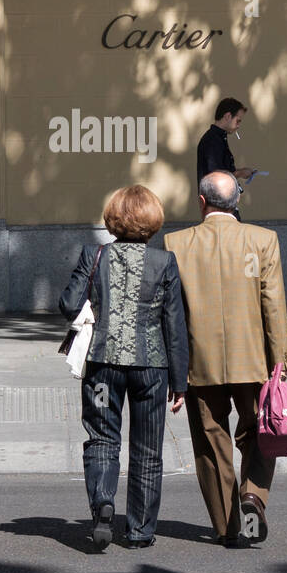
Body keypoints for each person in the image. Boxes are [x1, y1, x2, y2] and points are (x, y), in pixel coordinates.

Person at [163, 171, 287, 547]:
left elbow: (173, 314)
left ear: (202, 202)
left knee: (210, 441)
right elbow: (273, 306)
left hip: (198, 362)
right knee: (261, 434)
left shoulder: (176, 243)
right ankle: (253, 495)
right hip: (252, 359)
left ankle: (227, 527)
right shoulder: (263, 240)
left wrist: (175, 371)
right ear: (238, 200)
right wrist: (280, 363)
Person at [58, 185, 189, 551]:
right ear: (154, 222)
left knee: (101, 437)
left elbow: (68, 304)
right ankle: (140, 531)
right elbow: (174, 326)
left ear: (113, 219)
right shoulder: (165, 263)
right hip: (151, 367)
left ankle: (102, 501)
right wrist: (181, 382)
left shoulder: (94, 254)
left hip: (103, 364)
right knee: (148, 449)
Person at [195, 98, 257, 221]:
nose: (238, 125)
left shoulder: (217, 138)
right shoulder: (213, 141)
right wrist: (239, 173)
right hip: (218, 208)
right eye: (238, 121)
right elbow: (216, 178)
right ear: (228, 116)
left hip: (221, 207)